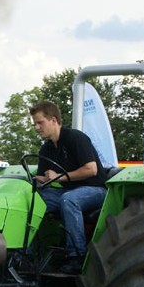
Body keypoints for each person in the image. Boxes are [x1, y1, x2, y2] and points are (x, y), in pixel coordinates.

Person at [30, 100, 108, 275]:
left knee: (69, 200)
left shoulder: (75, 138)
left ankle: (76, 256)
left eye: (40, 123)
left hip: (95, 190)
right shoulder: (46, 149)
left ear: (53, 120)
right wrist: (35, 180)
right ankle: (27, 254)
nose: (36, 127)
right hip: (68, 190)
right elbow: (43, 177)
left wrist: (60, 177)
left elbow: (91, 169)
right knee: (33, 198)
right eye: (35, 124)